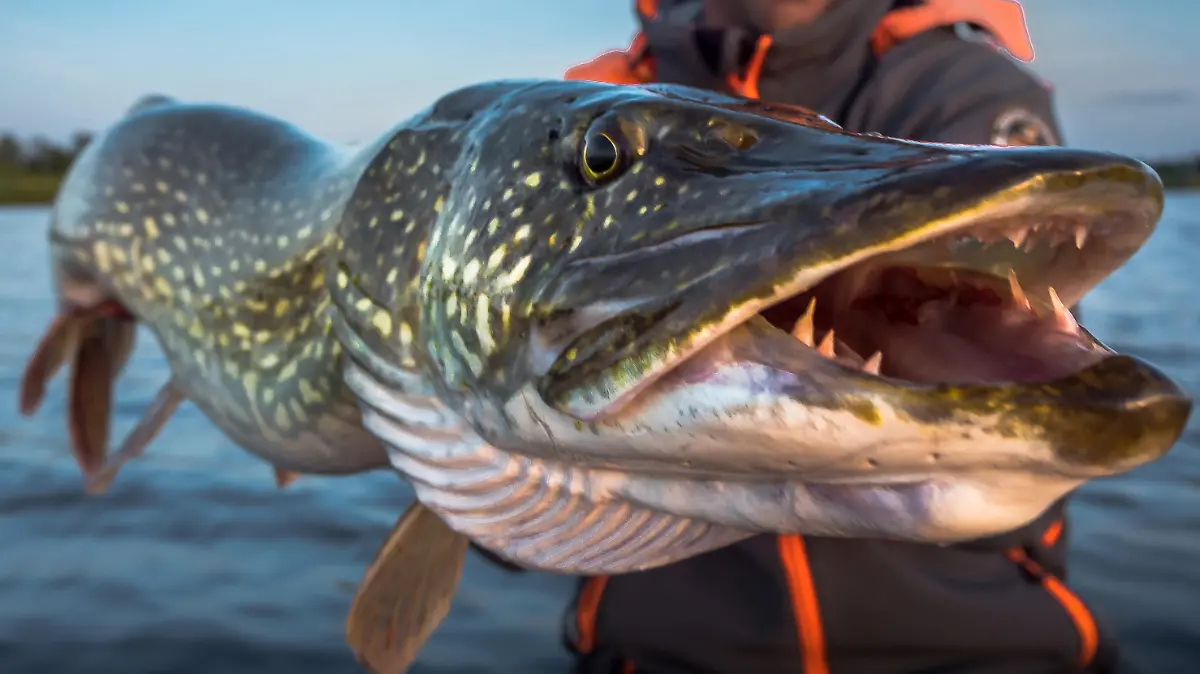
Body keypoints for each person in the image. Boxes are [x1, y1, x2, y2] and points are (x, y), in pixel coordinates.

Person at [531, 1, 1117, 673]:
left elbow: (1028, 426)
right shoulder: (601, 104)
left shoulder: (951, 80)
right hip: (662, 657)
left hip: (975, 651)